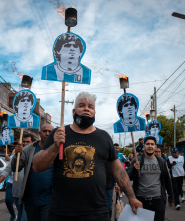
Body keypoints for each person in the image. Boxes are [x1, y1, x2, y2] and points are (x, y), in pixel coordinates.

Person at [32, 91, 142, 220]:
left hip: (97, 213)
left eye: (91, 107)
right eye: (81, 105)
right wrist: (55, 147)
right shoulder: (59, 133)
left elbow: (118, 171)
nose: (86, 109)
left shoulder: (104, 137)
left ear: (95, 113)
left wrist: (132, 197)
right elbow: (37, 166)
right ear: (73, 111)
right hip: (62, 213)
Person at [11, 124, 54, 221]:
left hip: (49, 200)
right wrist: (17, 155)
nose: (47, 134)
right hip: (30, 199)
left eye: (50, 132)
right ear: (39, 133)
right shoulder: (29, 149)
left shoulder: (56, 150)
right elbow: (15, 168)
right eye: (44, 131)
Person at [129, 136, 174, 221]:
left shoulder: (161, 161)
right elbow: (128, 177)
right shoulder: (137, 160)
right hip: (141, 200)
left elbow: (167, 180)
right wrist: (135, 169)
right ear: (144, 146)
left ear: (155, 147)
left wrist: (171, 197)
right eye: (148, 144)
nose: (150, 146)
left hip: (158, 200)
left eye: (152, 144)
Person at [0, 134, 33, 221]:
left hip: (29, 194)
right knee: (20, 215)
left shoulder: (35, 156)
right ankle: (13, 216)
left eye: (28, 142)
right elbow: (7, 170)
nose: (25, 144)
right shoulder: (14, 157)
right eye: (23, 142)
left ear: (32, 143)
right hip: (17, 193)